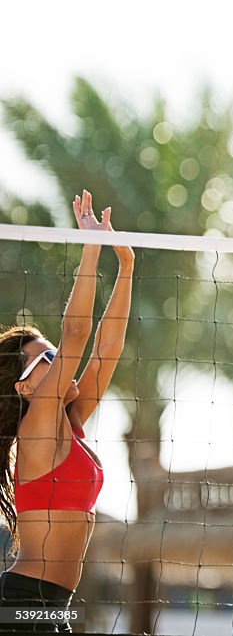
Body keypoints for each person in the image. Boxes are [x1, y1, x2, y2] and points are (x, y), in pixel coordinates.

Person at [0, 190, 133, 633]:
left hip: (50, 606)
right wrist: (91, 246)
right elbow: (76, 334)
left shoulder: (68, 422)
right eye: (47, 360)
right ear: (25, 387)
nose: (60, 360)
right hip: (23, 603)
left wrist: (127, 267)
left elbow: (106, 349)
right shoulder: (36, 427)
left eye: (54, 353)